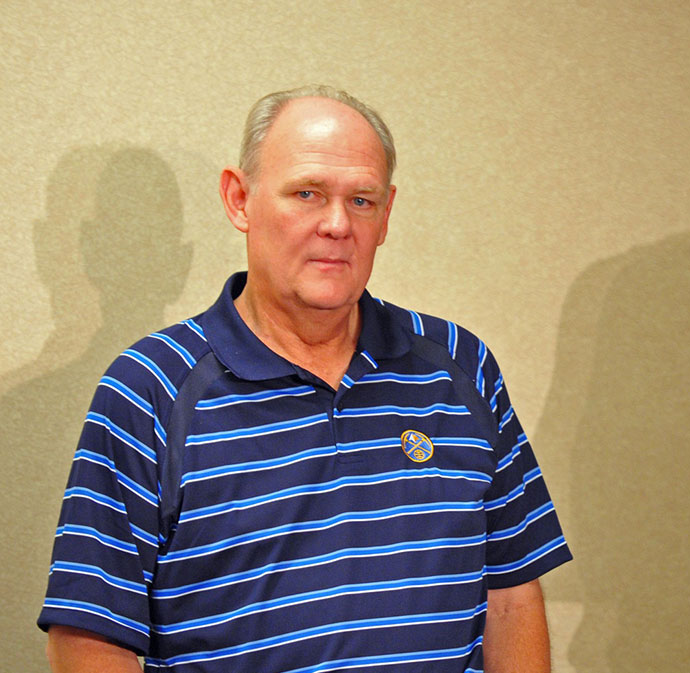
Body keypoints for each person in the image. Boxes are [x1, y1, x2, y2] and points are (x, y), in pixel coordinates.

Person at [39, 85, 571, 673]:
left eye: (362, 201)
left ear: (387, 213)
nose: (338, 224)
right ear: (239, 200)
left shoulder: (461, 364)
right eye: (307, 193)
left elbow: (511, 596)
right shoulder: (149, 389)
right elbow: (89, 637)